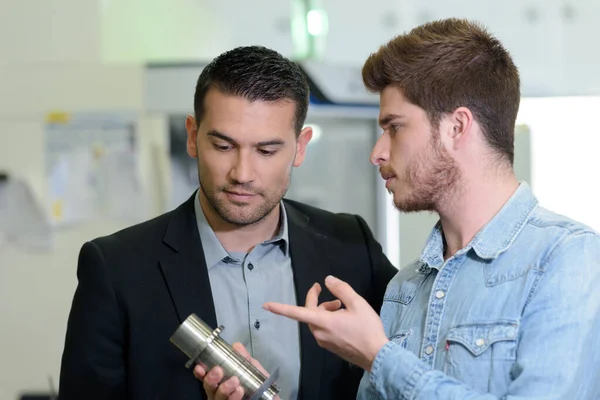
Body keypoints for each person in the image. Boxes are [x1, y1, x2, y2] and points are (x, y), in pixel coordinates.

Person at [255, 18, 600, 399]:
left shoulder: (567, 258)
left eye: (395, 127)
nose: (377, 153)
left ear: (456, 127)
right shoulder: (406, 287)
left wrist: (379, 356)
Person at [58, 46, 397, 400]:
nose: (242, 174)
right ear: (192, 136)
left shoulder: (351, 246)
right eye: (223, 146)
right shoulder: (117, 269)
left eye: (266, 151)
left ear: (300, 147)